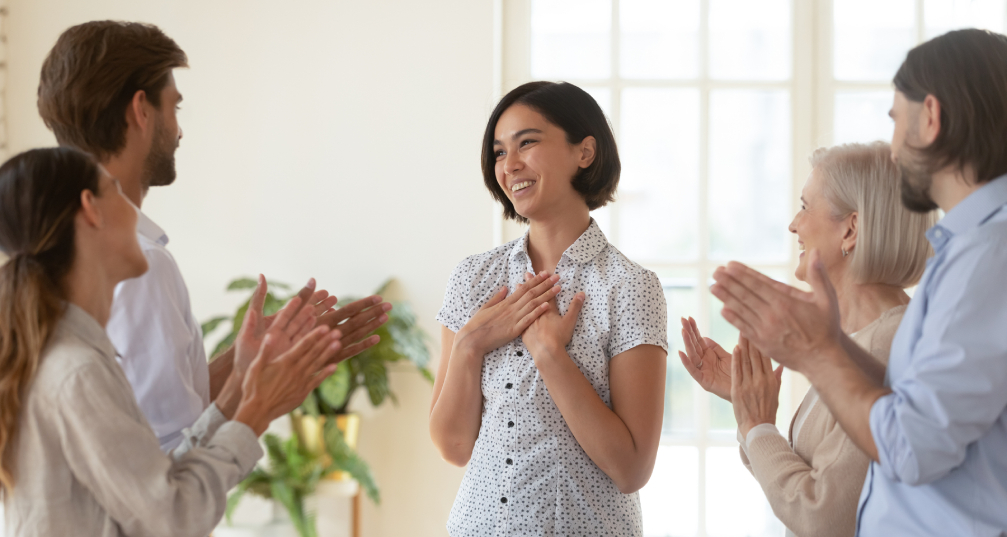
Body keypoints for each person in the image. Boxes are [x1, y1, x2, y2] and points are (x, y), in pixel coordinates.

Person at [36, 21, 391, 451]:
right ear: (140, 111)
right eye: (175, 108)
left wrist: (254, 363)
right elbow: (170, 465)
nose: (179, 131)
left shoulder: (43, 247)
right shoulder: (139, 264)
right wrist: (264, 398)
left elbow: (161, 416)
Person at [709, 29, 1007, 536]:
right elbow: (908, 399)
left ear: (930, 117)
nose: (893, 151)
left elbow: (911, 447)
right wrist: (825, 346)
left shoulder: (988, 256)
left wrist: (817, 352)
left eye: (895, 120)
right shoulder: (968, 249)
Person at [0, 147, 344, 536]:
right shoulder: (75, 371)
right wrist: (255, 410)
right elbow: (174, 518)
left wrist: (239, 388)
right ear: (91, 209)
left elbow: (156, 494)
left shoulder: (68, 358)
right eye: (115, 190)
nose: (137, 215)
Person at [429, 81, 668, 536]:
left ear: (585, 152)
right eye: (499, 152)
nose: (510, 164)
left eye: (528, 143)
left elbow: (632, 469)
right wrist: (470, 345)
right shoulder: (473, 279)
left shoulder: (630, 287)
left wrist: (552, 358)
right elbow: (453, 445)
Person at [680, 142, 935, 537]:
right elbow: (808, 482)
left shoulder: (887, 344)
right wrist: (747, 400)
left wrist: (757, 426)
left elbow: (821, 516)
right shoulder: (859, 337)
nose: (793, 224)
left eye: (804, 206)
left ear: (850, 229)